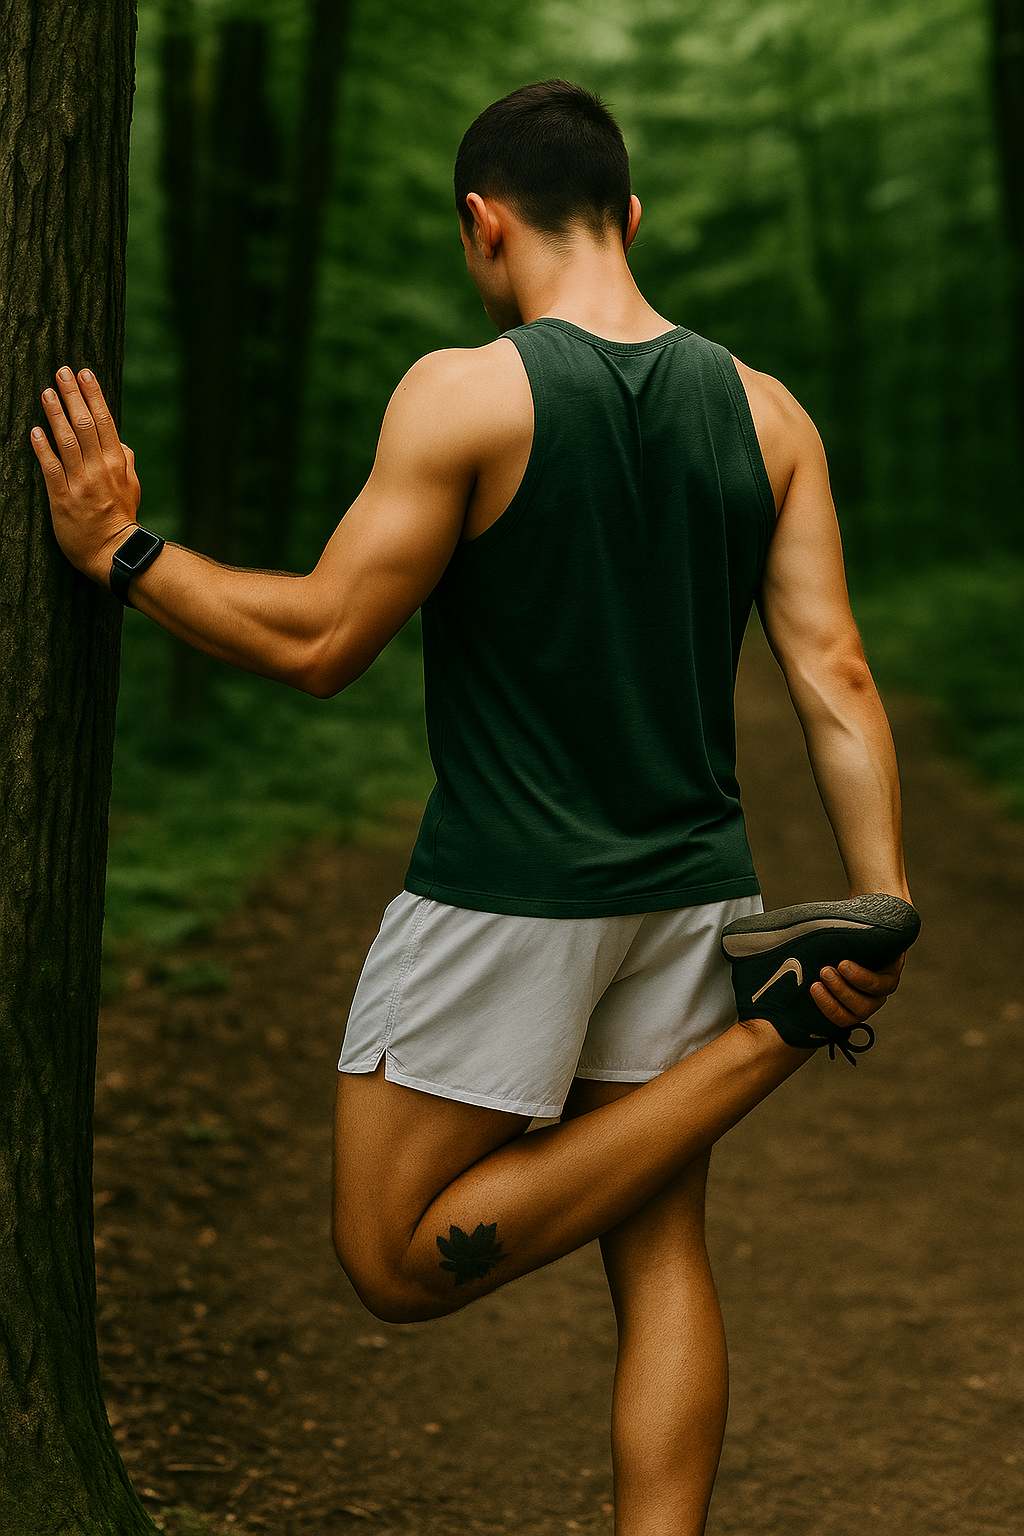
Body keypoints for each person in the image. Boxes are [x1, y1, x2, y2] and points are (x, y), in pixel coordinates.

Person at [34, 80, 915, 1536]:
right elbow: (837, 670)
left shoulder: (468, 390)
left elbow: (321, 643)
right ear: (630, 218)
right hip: (696, 892)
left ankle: (776, 1033)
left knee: (388, 1257)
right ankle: (785, 1016)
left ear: (481, 223)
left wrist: (122, 548)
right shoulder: (767, 414)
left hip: (509, 893)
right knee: (664, 1250)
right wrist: (880, 902)